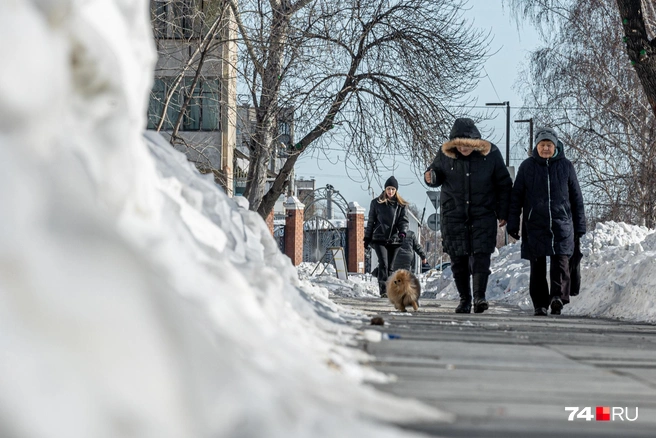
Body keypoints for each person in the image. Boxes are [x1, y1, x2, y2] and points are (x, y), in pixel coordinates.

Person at [424, 118, 512, 313]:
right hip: (454, 214)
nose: (464, 147)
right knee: (458, 259)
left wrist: (503, 212)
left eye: (468, 144)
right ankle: (465, 299)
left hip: (483, 213)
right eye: (460, 143)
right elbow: (435, 174)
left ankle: (479, 297)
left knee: (481, 256)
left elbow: (504, 184)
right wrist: (430, 177)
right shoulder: (445, 154)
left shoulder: (491, 154)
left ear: (475, 142)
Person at [507, 127, 586, 316]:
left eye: (549, 145)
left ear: (555, 145)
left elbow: (576, 197)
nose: (545, 148)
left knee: (561, 263)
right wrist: (512, 223)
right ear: (536, 146)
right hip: (535, 224)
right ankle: (540, 304)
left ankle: (557, 298)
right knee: (538, 266)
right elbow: (516, 196)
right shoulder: (527, 167)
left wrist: (580, 225)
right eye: (542, 145)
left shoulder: (566, 166)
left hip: (562, 223)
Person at [364, 176, 409, 297]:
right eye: (388, 189)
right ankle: (383, 290)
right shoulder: (376, 203)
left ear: (396, 191)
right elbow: (371, 222)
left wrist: (402, 232)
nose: (390, 192)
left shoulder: (401, 205)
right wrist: (367, 238)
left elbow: (403, 221)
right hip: (379, 238)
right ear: (385, 189)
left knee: (390, 266)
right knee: (383, 263)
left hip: (394, 239)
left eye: (393, 189)